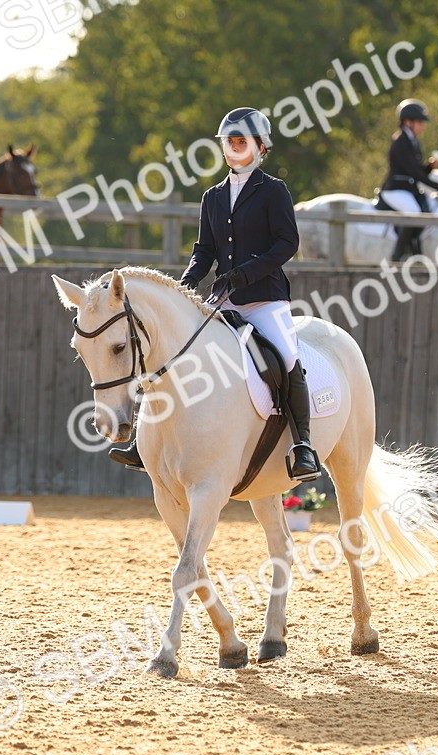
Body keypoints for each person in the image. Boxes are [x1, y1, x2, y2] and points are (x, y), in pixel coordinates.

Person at [109, 107, 321, 482]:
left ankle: (303, 446)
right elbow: (203, 252)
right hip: (223, 297)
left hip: (264, 298)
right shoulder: (213, 196)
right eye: (230, 142)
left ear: (260, 147)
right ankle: (143, 442)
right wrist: (183, 288)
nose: (235, 148)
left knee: (286, 357)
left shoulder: (273, 190)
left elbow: (287, 243)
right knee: (172, 352)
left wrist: (246, 272)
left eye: (242, 142)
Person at [379, 98, 438, 262]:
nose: (422, 126)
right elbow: (413, 172)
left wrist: (430, 167)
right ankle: (397, 256)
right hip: (395, 189)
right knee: (415, 214)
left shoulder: (412, 141)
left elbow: (416, 171)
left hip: (408, 189)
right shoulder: (400, 141)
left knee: (424, 211)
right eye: (419, 122)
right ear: (407, 122)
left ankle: (414, 249)